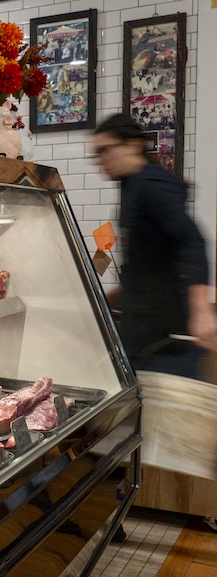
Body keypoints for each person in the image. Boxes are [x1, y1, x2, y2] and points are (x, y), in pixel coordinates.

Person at [93, 113, 217, 380]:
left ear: (133, 144)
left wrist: (202, 311)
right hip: (144, 328)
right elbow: (151, 255)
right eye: (97, 153)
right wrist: (115, 295)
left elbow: (192, 242)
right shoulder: (130, 185)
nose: (100, 160)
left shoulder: (151, 185)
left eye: (105, 150)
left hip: (164, 335)